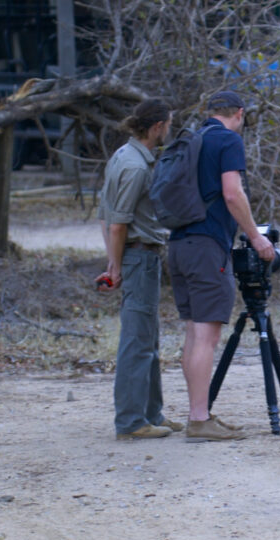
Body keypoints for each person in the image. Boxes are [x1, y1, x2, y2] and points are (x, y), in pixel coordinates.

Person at [167, 91, 275, 442]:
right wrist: (256, 238)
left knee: (193, 334)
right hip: (207, 246)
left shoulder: (192, 139)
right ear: (239, 114)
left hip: (179, 244)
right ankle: (199, 420)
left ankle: (199, 414)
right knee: (207, 337)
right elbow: (232, 193)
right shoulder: (228, 140)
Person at [96, 99, 182, 440]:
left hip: (137, 257)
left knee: (148, 339)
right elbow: (117, 224)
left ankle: (151, 414)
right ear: (158, 126)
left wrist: (113, 261)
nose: (170, 130)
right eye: (169, 124)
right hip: (139, 257)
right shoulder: (135, 167)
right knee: (137, 341)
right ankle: (131, 422)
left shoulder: (124, 156)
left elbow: (104, 214)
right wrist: (116, 266)